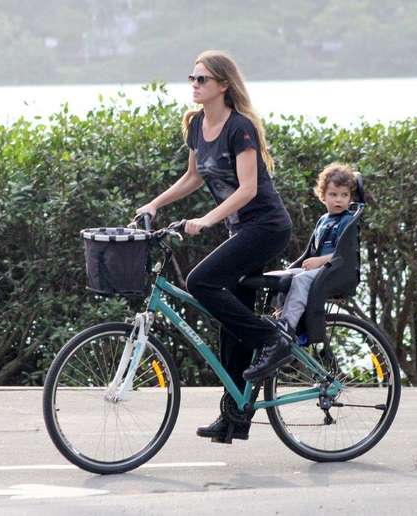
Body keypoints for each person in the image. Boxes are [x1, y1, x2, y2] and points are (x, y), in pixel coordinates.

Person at [135, 50, 292, 442]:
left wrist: (207, 220)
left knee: (200, 281)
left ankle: (273, 341)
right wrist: (155, 203)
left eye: (202, 79)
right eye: (191, 78)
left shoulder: (240, 128)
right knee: (231, 326)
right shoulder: (196, 125)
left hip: (266, 227)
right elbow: (192, 177)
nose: (194, 85)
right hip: (240, 230)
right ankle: (235, 416)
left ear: (223, 85)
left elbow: (249, 188)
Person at [256, 163, 357, 347]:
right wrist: (298, 267)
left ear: (350, 198)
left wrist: (319, 261)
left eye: (344, 195)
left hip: (334, 270)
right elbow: (310, 251)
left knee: (301, 281)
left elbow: (344, 254)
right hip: (320, 269)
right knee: (287, 277)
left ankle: (287, 327)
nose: (339, 200)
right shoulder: (324, 220)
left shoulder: (347, 221)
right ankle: (280, 315)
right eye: (333, 194)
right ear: (323, 196)